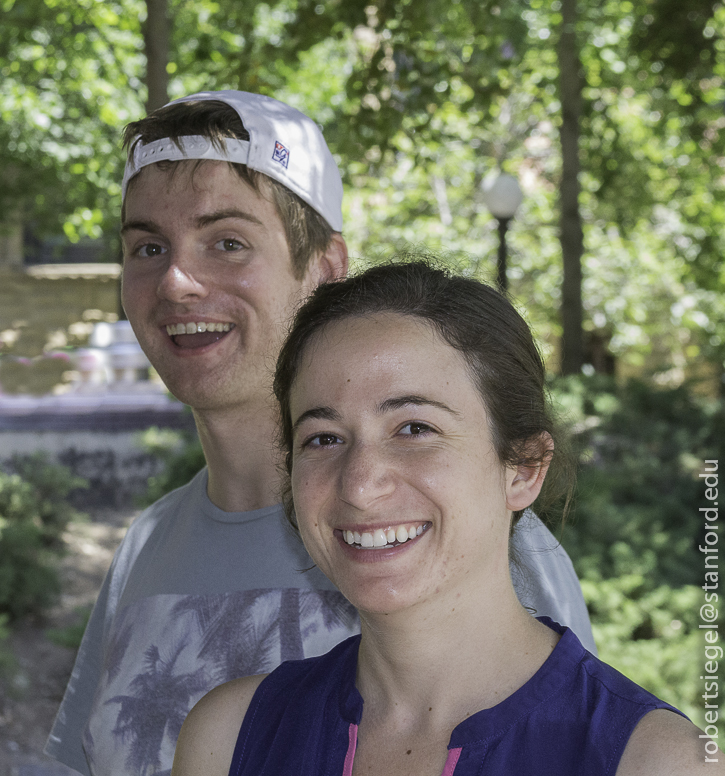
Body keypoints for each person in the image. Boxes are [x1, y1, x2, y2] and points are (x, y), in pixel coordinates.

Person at [46, 92, 595, 776]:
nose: (177, 281)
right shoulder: (147, 545)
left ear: (327, 268)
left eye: (228, 243)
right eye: (148, 248)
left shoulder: (457, 537)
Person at [172, 261, 715, 776]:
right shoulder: (229, 740)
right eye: (324, 438)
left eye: (415, 429)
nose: (359, 485)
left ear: (524, 468)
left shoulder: (659, 762)